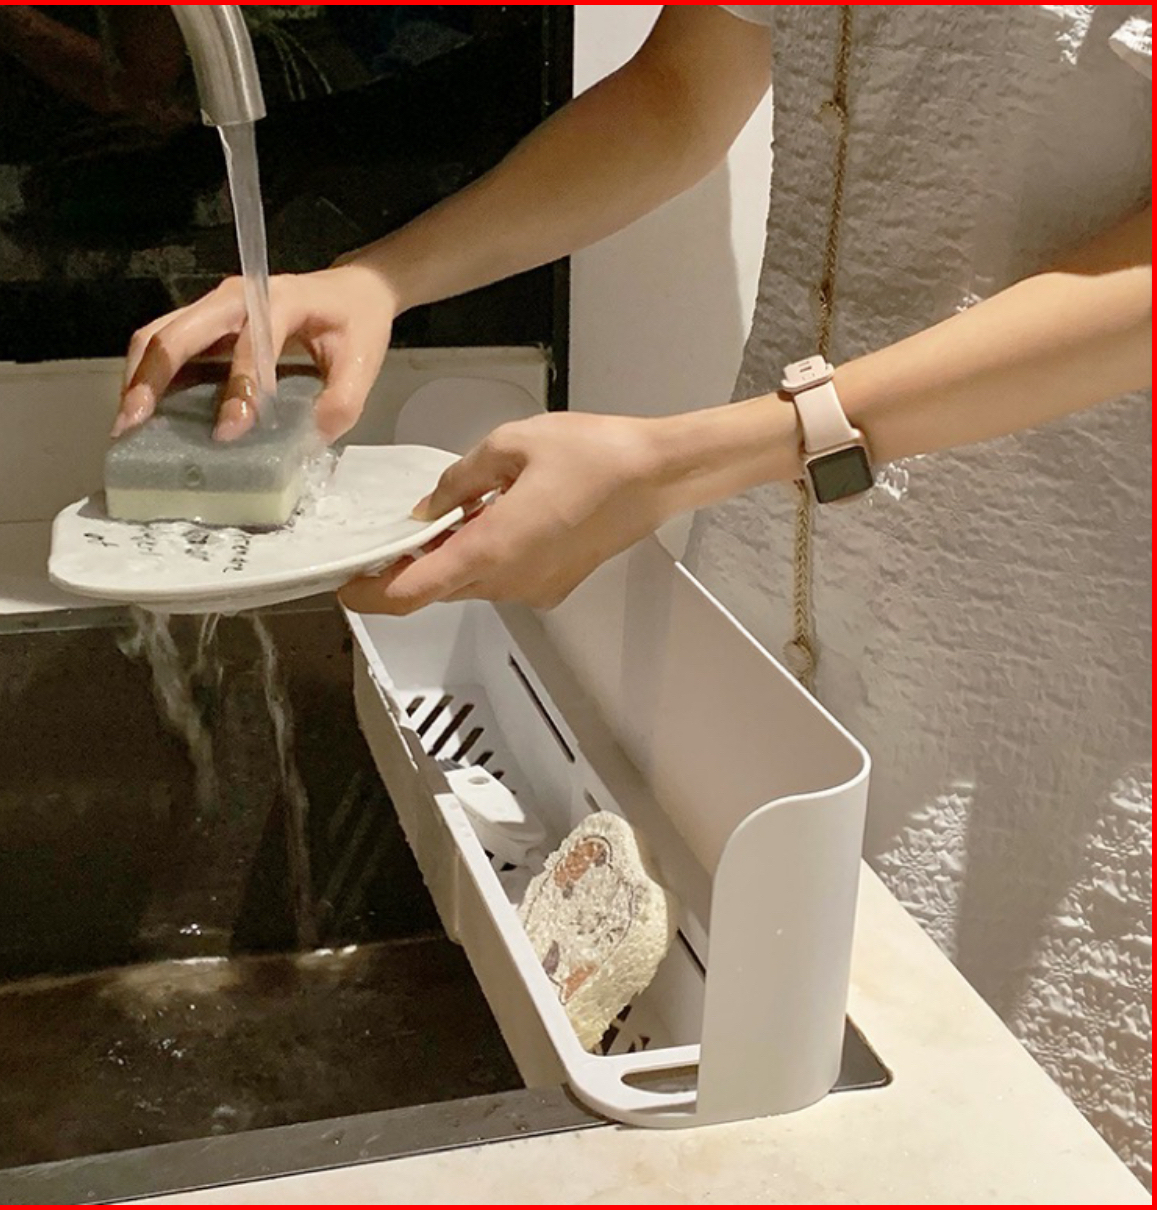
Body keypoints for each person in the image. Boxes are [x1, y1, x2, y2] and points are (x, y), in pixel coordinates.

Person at [119, 6, 1152, 1178]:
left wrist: (690, 458)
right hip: (774, 569)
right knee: (774, 1094)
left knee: (1009, 1120)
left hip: (1055, 643)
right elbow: (681, 91)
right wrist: (378, 278)